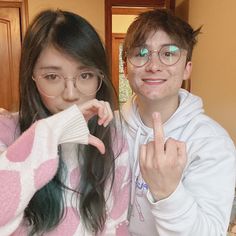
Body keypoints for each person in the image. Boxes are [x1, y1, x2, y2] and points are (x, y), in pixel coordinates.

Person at [0, 9, 131, 236]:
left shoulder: (114, 140)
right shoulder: (6, 133)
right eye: (52, 77)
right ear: (31, 76)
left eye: (85, 75)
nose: (71, 94)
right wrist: (49, 134)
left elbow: (116, 227)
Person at [121, 8, 236, 235]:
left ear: (187, 68)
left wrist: (168, 191)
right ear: (126, 67)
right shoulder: (108, 127)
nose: (154, 65)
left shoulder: (211, 142)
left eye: (170, 53)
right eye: (141, 53)